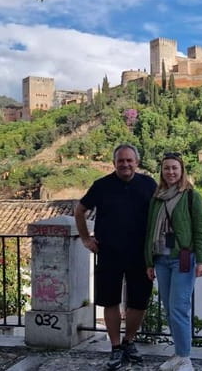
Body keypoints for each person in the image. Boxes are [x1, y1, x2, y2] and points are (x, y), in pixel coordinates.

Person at [74, 143, 157, 370]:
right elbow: (79, 210)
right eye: (121, 160)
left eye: (129, 160)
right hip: (109, 253)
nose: (125, 164)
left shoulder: (149, 184)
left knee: (139, 302)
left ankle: (129, 342)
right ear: (114, 163)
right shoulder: (101, 186)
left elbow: (162, 212)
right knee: (110, 301)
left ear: (136, 162)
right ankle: (116, 346)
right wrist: (85, 239)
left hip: (140, 254)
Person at [144, 153, 202, 371]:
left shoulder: (191, 196)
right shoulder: (157, 197)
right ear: (161, 171)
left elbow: (201, 229)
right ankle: (178, 353)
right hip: (161, 259)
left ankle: (185, 358)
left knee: (179, 307)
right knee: (169, 309)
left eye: (174, 168)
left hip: (183, 258)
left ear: (181, 170)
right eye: (166, 168)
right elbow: (149, 231)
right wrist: (149, 262)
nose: (170, 172)